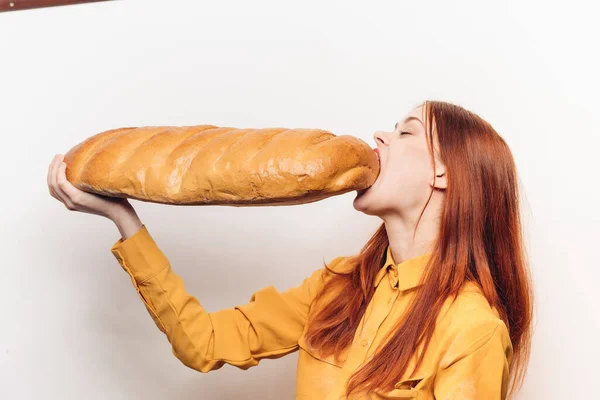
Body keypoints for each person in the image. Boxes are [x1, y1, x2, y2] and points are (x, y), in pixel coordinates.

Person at [47, 100, 534, 399]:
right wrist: (123, 219)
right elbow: (205, 343)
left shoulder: (472, 330)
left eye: (406, 131)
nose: (381, 136)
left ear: (445, 173)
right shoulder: (340, 286)